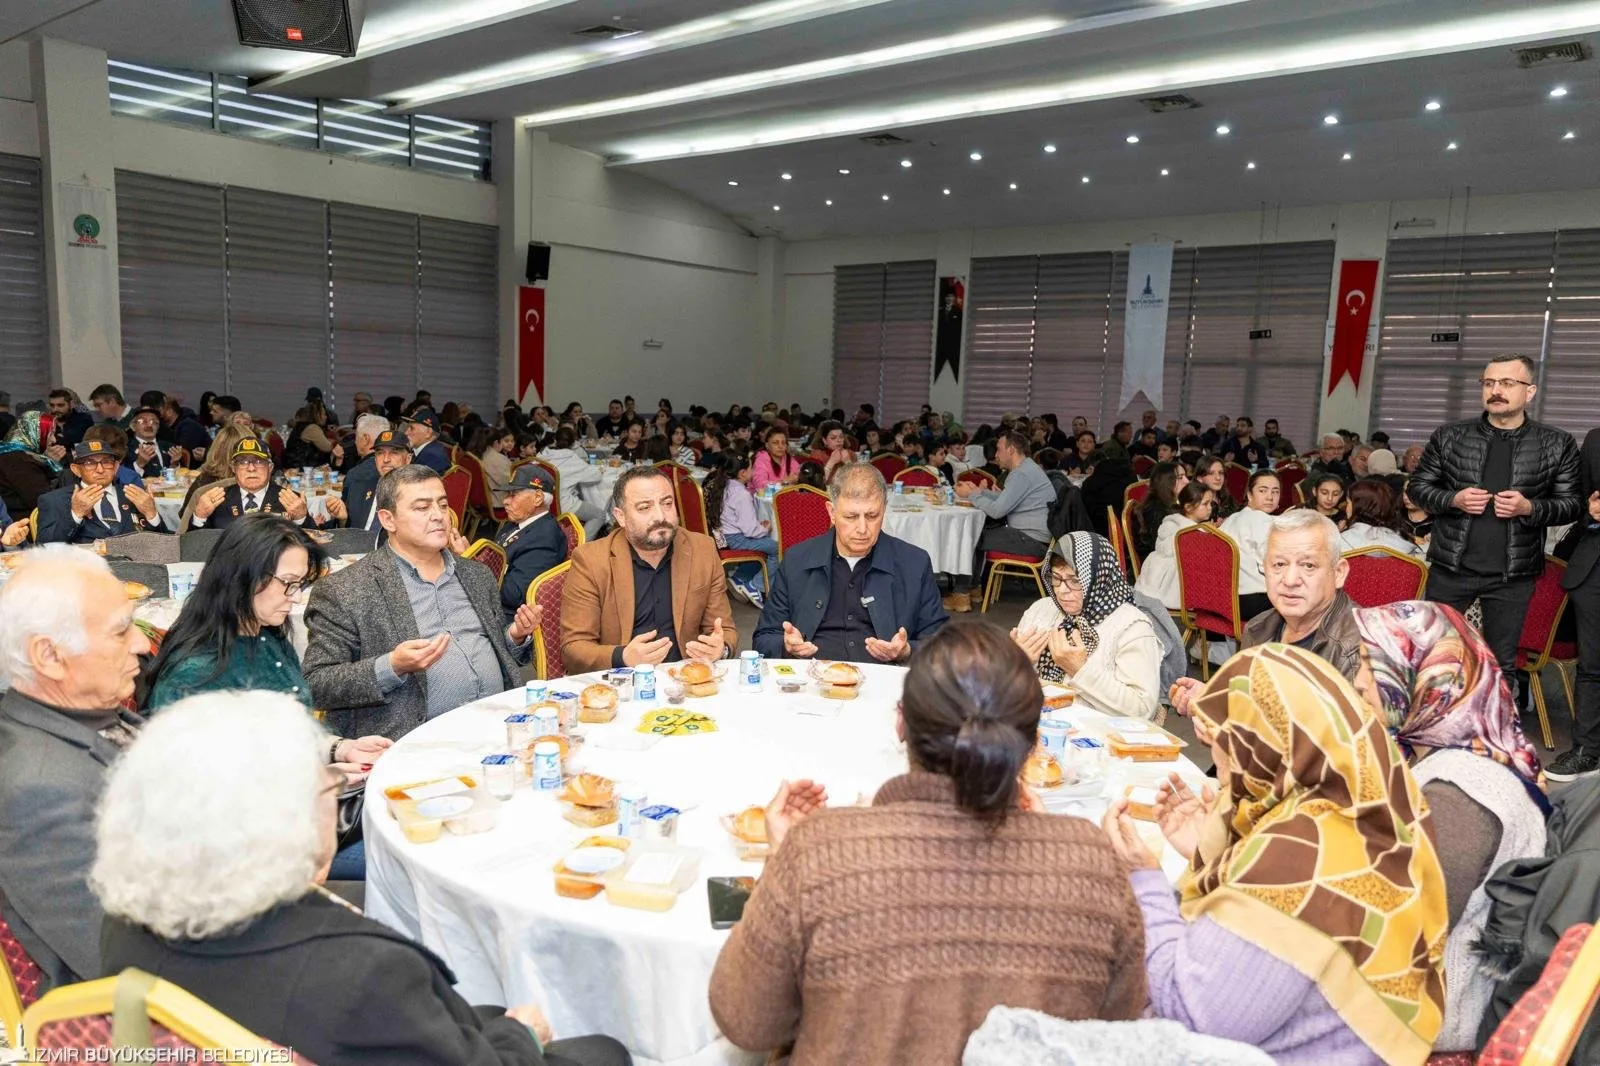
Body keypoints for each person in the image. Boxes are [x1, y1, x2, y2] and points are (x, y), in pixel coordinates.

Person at [92, 692, 631, 1066]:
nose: (334, 796)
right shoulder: (366, 974)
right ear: (283, 824)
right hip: (342, 1027)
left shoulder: (123, 924)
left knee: (485, 1009)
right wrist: (522, 1037)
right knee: (605, 1051)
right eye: (327, 786)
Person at [710, 622, 1145, 1064]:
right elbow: (1118, 1030)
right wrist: (1062, 851)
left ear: (901, 722)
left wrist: (780, 865)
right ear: (1032, 744)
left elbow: (747, 1021)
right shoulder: (1092, 862)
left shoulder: (821, 851)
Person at [1104, 644, 1447, 1065]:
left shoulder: (1296, 858)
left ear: (1263, 747)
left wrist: (1144, 881)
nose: (1215, 754)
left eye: (1225, 739)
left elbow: (1191, 1014)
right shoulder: (1368, 806)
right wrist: (1211, 852)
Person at [1350, 601, 1546, 1053]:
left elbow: (1399, 940)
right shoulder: (1449, 755)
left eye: (1372, 666)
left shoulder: (1460, 795)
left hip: (1426, 1026)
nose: (1359, 683)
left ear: (1427, 679)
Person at [0, 546, 149, 993]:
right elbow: (120, 960)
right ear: (49, 656)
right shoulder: (37, 787)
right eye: (122, 631)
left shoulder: (87, 714)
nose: (143, 643)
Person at [302, 465, 536, 741]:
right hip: (414, 738)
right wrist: (392, 666)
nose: (439, 516)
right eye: (422, 508)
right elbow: (316, 684)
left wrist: (514, 637)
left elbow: (491, 647)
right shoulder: (346, 590)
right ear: (388, 520)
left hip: (501, 726)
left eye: (442, 504)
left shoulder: (476, 574)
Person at [1410, 354, 1581, 682]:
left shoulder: (1556, 443)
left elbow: (1571, 505)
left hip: (1512, 575)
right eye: (1489, 383)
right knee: (1433, 658)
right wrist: (1453, 499)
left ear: (1529, 392)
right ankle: (1428, 731)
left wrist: (1529, 508)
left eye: (1506, 383)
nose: (1495, 390)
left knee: (1500, 666)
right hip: (1451, 568)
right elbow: (1418, 489)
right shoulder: (1450, 436)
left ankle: (1490, 732)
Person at [1170, 510, 1362, 716]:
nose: (1289, 580)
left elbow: (1343, 744)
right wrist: (1216, 700)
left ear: (1338, 573)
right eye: (1279, 564)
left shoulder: (1358, 649)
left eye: (1308, 565)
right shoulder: (1259, 629)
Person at [753, 464, 947, 664]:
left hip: (885, 683)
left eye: (872, 516)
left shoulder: (914, 563)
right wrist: (786, 646)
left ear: (884, 510)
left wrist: (906, 650)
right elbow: (764, 638)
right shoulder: (797, 560)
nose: (862, 529)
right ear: (831, 512)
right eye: (851, 517)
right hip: (811, 681)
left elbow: (942, 644)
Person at [560, 465, 735, 675]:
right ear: (621, 516)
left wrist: (720, 649)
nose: (660, 516)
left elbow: (724, 629)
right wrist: (623, 656)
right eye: (644, 507)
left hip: (686, 679)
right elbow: (574, 649)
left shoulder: (702, 549)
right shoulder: (591, 560)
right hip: (623, 684)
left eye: (667, 503)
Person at [1011, 533, 1159, 719]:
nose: (1062, 590)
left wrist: (1080, 670)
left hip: (1098, 737)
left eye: (1075, 580)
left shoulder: (1131, 627)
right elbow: (1007, 691)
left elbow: (1142, 710)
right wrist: (1015, 664)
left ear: (1100, 579)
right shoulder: (1042, 610)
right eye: (1056, 578)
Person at [947, 430, 1054, 612]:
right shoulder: (1027, 468)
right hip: (1037, 537)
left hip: (1031, 540)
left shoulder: (1021, 474)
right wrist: (980, 492)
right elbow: (1006, 498)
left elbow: (997, 511)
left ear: (1011, 450)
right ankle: (972, 590)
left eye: (999, 449)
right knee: (978, 533)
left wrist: (971, 494)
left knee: (971, 536)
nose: (996, 455)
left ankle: (962, 595)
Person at [1550, 426, 1600, 779]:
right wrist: (1590, 509)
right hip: (1594, 566)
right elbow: (1576, 501)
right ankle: (1587, 749)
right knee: (1592, 666)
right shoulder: (1596, 440)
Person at [190, 437, 339, 531]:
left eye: (259, 462)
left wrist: (301, 517)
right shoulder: (217, 499)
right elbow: (194, 550)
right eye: (243, 462)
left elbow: (311, 546)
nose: (251, 468)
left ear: (271, 468)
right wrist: (199, 517)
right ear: (233, 468)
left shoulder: (290, 500)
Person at [35, 439, 167, 543]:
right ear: (76, 469)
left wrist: (152, 515)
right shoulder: (54, 500)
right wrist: (76, 515)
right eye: (90, 463)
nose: (100, 469)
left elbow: (166, 543)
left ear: (115, 467)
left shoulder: (133, 496)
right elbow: (44, 547)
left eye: (107, 462)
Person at [704, 450, 777, 609]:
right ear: (743, 473)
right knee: (776, 548)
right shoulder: (741, 493)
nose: (753, 471)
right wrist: (765, 528)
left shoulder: (721, 485)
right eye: (751, 469)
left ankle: (740, 578)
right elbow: (750, 531)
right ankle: (756, 586)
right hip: (735, 539)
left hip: (720, 536)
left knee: (763, 546)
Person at [496, 464, 567, 621]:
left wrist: (474, 564)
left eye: (513, 494)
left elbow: (514, 595)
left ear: (537, 498)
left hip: (504, 617)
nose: (505, 501)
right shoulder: (517, 522)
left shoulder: (544, 539)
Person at [1135, 481, 1216, 610]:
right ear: (1188, 507)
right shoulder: (1175, 527)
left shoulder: (1196, 527)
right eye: (1205, 504)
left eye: (1211, 503)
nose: (1210, 507)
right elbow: (1169, 549)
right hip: (1171, 582)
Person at [1219, 470, 1281, 620]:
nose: (1270, 497)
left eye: (1275, 491)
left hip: (1224, 599)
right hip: (1253, 600)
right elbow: (1271, 565)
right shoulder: (1263, 521)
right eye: (1263, 490)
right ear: (1249, 495)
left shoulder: (1233, 518)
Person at [339, 416, 404, 533]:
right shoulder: (359, 489)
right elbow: (349, 530)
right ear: (375, 458)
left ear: (408, 459)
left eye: (394, 452)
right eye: (380, 453)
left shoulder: (418, 495)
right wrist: (342, 520)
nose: (386, 459)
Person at [539, 427, 605, 537]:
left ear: (555, 440)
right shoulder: (571, 458)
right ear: (573, 443)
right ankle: (580, 546)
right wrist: (600, 470)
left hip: (541, 502)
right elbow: (596, 476)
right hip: (563, 505)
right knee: (599, 515)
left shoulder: (542, 456)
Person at [0, 411, 62, 517]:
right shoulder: (18, 460)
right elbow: (43, 500)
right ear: (34, 433)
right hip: (24, 525)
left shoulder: (11, 453)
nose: (54, 440)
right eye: (50, 434)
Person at [1340, 478, 1423, 558]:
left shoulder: (1339, 543)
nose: (1346, 508)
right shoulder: (1406, 546)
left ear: (1358, 506)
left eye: (1348, 502)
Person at [1133, 460, 1190, 562]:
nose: (1187, 481)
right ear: (1166, 482)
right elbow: (1163, 548)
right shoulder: (1156, 510)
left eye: (1185, 476)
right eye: (1180, 477)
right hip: (1157, 565)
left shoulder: (1172, 502)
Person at [124, 406, 183, 480]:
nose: (149, 425)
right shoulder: (125, 448)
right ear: (133, 426)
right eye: (143, 421)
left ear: (158, 427)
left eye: (153, 422)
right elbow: (123, 480)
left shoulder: (170, 447)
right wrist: (139, 464)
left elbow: (173, 480)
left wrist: (174, 464)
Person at [159, 394, 211, 466]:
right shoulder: (171, 427)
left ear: (170, 411)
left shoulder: (188, 426)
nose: (157, 415)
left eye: (159, 411)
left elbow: (183, 453)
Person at [282, 405, 335, 470]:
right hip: (305, 469)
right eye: (324, 414)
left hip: (293, 465)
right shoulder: (312, 428)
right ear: (317, 415)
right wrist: (337, 440)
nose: (326, 417)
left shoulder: (301, 426)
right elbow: (328, 448)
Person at [402, 408, 453, 474]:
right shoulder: (427, 450)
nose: (406, 432)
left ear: (428, 433)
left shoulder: (432, 457)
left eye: (411, 428)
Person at [477, 424, 518, 507]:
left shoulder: (481, 454)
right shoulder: (495, 458)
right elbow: (511, 482)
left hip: (483, 497)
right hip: (498, 500)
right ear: (496, 442)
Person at [751, 425, 801, 492]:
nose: (780, 446)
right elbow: (760, 485)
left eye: (783, 443)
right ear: (767, 445)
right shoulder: (761, 459)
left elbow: (800, 475)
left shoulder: (788, 458)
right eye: (775, 443)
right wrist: (786, 481)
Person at [1191, 454, 1236, 519]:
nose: (1218, 478)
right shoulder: (1196, 503)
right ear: (1200, 478)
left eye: (1221, 473)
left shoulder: (1226, 497)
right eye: (1211, 473)